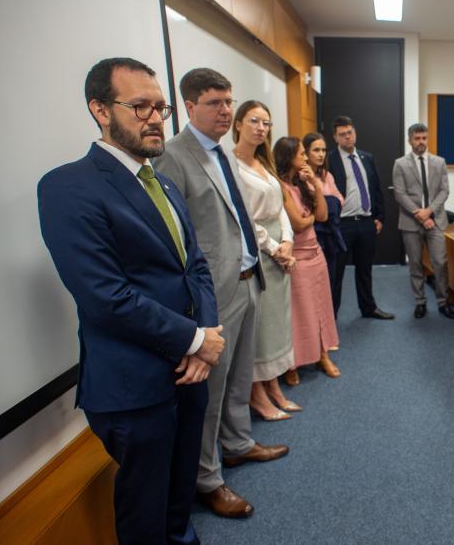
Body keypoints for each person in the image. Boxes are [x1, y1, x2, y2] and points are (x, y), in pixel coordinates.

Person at [38, 57, 224, 544]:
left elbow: (195, 266)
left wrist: (205, 339)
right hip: (134, 385)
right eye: (139, 106)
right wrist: (195, 339)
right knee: (144, 519)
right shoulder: (67, 186)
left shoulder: (160, 180)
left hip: (190, 374)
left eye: (159, 107)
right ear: (100, 109)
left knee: (179, 505)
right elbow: (105, 296)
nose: (155, 117)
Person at [153, 68, 287, 519]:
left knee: (238, 378)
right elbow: (177, 238)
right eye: (214, 103)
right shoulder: (173, 155)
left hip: (248, 280)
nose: (225, 111)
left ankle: (238, 444)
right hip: (213, 293)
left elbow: (237, 217)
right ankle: (207, 479)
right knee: (208, 391)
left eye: (228, 102)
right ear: (189, 106)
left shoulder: (222, 153)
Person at [231, 100, 301, 420]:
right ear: (238, 124)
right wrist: (274, 248)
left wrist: (288, 241)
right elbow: (244, 218)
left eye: (266, 123)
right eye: (254, 121)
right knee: (258, 327)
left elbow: (281, 207)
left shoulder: (265, 161)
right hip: (255, 249)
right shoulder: (230, 165)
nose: (261, 128)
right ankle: (257, 394)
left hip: (279, 248)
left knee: (276, 324)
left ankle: (274, 387)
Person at [274, 136, 342, 385]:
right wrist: (310, 216)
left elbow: (322, 215)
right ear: (288, 156)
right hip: (297, 258)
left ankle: (322, 355)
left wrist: (313, 181)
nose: (305, 158)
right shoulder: (280, 186)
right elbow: (298, 223)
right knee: (299, 313)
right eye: (301, 154)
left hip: (316, 254)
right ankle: (292, 364)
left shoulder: (304, 183)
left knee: (321, 308)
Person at [327, 115, 394, 320]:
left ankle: (368, 308)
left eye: (350, 133)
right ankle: (332, 316)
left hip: (366, 223)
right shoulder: (330, 159)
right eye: (342, 135)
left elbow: (375, 188)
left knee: (364, 269)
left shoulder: (367, 157)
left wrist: (380, 217)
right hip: (342, 225)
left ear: (354, 133)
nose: (347, 137)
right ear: (335, 138)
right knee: (336, 274)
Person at [392, 123, 454, 319]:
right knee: (416, 264)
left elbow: (444, 191)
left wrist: (428, 212)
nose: (421, 142)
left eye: (424, 138)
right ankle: (420, 302)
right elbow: (400, 194)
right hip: (411, 223)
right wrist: (419, 214)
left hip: (435, 220)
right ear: (409, 140)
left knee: (440, 262)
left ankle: (443, 302)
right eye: (417, 138)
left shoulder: (439, 162)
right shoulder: (400, 164)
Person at [303, 132, 347, 300]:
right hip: (313, 236)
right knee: (317, 285)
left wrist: (325, 203)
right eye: (316, 150)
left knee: (333, 280)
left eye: (323, 150)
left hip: (332, 234)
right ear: (306, 152)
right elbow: (308, 208)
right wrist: (329, 203)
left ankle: (331, 323)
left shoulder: (327, 175)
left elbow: (340, 201)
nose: (321, 154)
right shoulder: (301, 178)